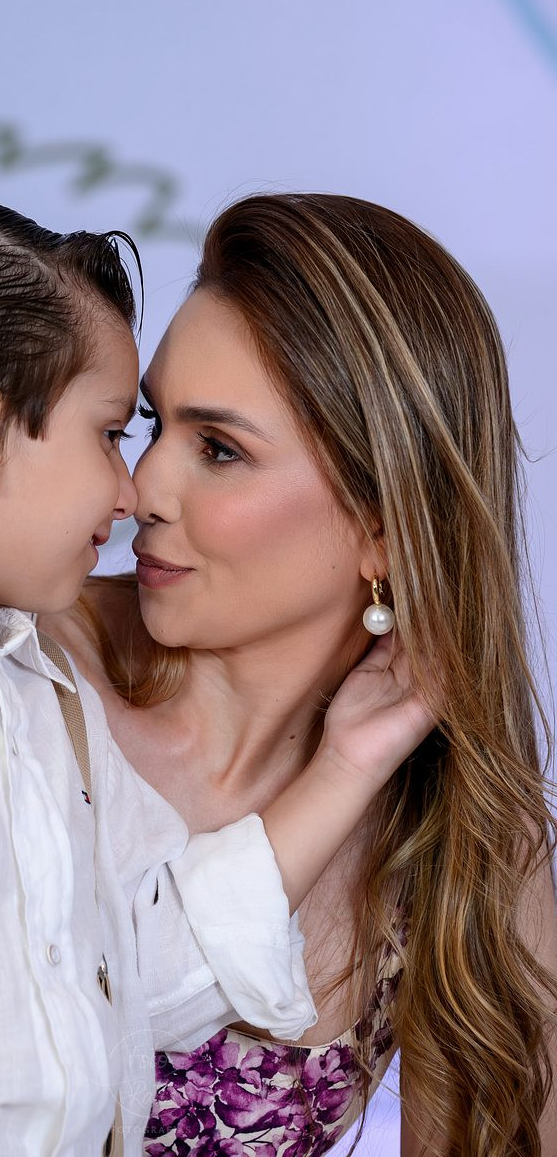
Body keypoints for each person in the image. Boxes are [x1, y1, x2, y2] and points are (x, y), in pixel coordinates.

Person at [0, 178, 431, 1156]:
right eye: (114, 432)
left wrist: (346, 765)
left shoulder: (42, 702)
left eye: (207, 445)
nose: (131, 492)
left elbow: (154, 964)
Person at [40, 193, 557, 1155]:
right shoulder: (20, 679)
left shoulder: (459, 826)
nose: (142, 489)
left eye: (219, 449)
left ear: (384, 527)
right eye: (150, 424)